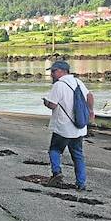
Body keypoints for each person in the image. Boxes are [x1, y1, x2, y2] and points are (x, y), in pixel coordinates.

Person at [42, 60, 95, 191]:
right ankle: (81, 183)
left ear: (61, 71)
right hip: (79, 127)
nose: (51, 75)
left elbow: (53, 105)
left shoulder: (59, 85)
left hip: (63, 127)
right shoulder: (78, 82)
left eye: (53, 72)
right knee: (78, 155)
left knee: (54, 150)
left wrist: (45, 103)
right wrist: (91, 111)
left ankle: (56, 172)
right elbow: (89, 96)